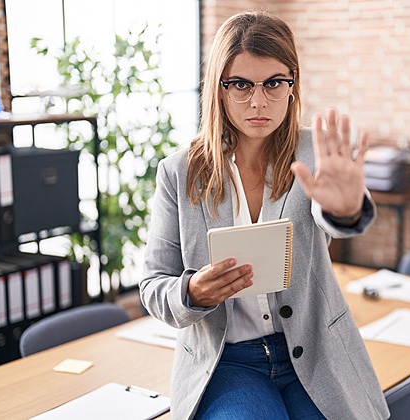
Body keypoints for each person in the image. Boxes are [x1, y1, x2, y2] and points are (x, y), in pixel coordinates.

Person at [140, 10, 389, 419]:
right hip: (227, 363)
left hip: (317, 355)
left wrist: (345, 211)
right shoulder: (179, 172)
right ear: (219, 90)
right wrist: (192, 293)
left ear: (293, 83)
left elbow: (333, 217)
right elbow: (153, 286)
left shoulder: (313, 153)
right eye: (240, 84)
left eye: (274, 83)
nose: (259, 101)